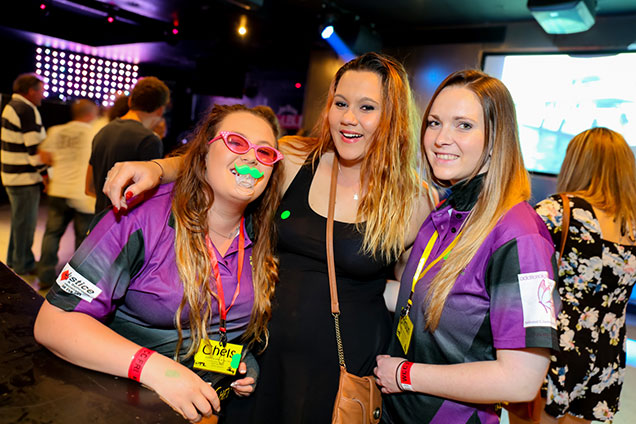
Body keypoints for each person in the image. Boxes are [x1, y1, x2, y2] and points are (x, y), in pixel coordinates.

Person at [100, 52, 434, 423]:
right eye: (340, 103)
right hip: (263, 353)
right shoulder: (293, 157)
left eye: (367, 107)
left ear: (392, 117)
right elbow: (216, 159)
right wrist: (156, 168)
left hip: (343, 364)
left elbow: (408, 294)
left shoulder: (414, 199)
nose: (349, 118)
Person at [34, 104, 284, 422]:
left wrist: (237, 359)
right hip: (119, 402)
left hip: (204, 410)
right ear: (204, 152)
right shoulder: (141, 217)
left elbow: (206, 331)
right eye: (236, 142)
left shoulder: (264, 232)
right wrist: (156, 369)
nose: (251, 158)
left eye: (265, 152)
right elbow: (54, 322)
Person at [374, 69, 560, 424]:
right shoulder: (446, 211)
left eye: (463, 125)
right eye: (434, 123)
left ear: (496, 139)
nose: (441, 138)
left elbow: (522, 380)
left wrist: (406, 374)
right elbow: (425, 299)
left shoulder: (521, 236)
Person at [530, 127, 636, 424]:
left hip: (553, 348)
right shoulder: (632, 224)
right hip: (607, 354)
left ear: (576, 162)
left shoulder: (558, 211)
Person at [36, 99, 99, 289]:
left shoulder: (57, 130)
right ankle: (73, 284)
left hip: (59, 189)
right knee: (82, 240)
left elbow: (43, 155)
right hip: (82, 194)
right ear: (90, 114)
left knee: (52, 233)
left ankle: (45, 277)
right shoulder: (94, 132)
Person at [86, 76, 170, 213]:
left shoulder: (103, 131)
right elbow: (149, 198)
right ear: (160, 110)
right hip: (128, 227)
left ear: (130, 101)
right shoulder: (149, 140)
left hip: (99, 224)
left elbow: (89, 188)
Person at [0, 72, 47, 276]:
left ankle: (14, 260)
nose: (43, 96)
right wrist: (46, 175)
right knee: (26, 224)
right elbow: (34, 149)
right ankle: (24, 265)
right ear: (31, 91)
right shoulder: (27, 109)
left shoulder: (13, 105)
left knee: (20, 222)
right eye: (41, 91)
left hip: (13, 175)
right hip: (24, 177)